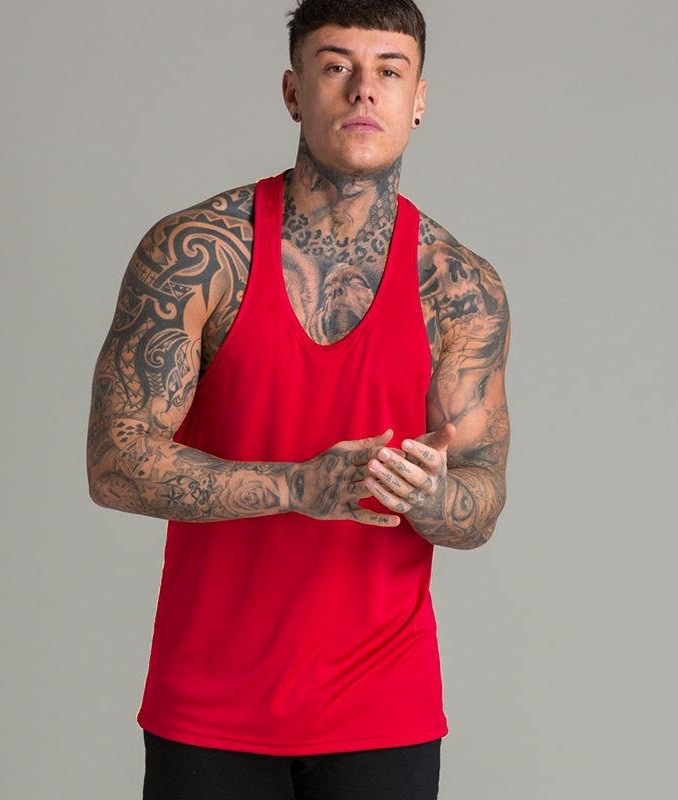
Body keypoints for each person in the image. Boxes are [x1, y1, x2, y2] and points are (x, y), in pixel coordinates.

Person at [86, 0, 511, 797]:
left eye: (389, 71)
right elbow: (115, 464)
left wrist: (432, 498)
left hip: (383, 713)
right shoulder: (199, 252)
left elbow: (482, 500)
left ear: (419, 99)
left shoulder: (460, 288)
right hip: (210, 706)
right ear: (293, 91)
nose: (363, 90)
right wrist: (297, 486)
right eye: (336, 66)